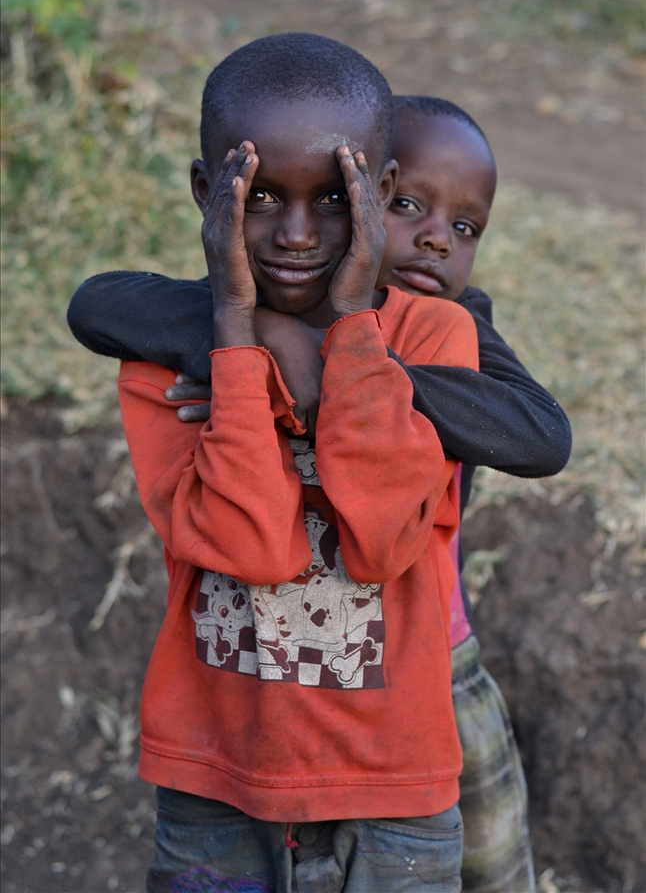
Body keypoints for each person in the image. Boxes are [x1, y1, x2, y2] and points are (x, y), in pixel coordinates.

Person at [68, 93, 572, 893]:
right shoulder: (243, 303)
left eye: (465, 226)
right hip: (263, 686)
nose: (433, 236)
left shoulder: (454, 323)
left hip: (428, 667)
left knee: (487, 865)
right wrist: (267, 337)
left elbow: (540, 435)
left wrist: (344, 368)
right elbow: (99, 303)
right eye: (400, 207)